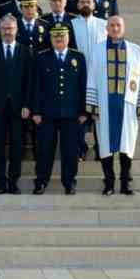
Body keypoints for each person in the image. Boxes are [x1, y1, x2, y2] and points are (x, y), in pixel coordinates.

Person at [87, 15, 140, 197]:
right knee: (106, 145)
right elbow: (91, 78)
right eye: (112, 25)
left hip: (127, 106)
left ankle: (125, 183)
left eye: (118, 25)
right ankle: (109, 183)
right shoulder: (97, 51)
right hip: (105, 105)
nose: (115, 28)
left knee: (126, 146)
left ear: (124, 28)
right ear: (106, 28)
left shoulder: (135, 50)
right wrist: (92, 105)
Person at [30, 23, 88, 194]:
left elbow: (83, 85)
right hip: (47, 113)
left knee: (70, 150)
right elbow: (36, 86)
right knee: (44, 149)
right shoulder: (42, 57)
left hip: (72, 114)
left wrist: (84, 111)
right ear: (51, 38)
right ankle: (41, 181)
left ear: (68, 37)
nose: (59, 39)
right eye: (55, 36)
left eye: (62, 35)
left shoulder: (78, 57)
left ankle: (69, 182)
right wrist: (36, 111)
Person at [0, 15, 33, 194]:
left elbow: (29, 82)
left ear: (16, 30)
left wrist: (27, 105)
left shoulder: (25, 51)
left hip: (18, 108)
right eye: (4, 28)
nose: (7, 32)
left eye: (10, 29)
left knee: (17, 146)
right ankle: (0, 182)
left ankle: (13, 182)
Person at [71, 0, 108, 160]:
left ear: (94, 5)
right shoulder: (70, 24)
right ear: (78, 5)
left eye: (88, 1)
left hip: (99, 76)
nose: (85, 4)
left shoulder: (104, 24)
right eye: (82, 2)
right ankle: (80, 148)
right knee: (79, 116)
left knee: (99, 116)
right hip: (78, 77)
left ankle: (101, 148)